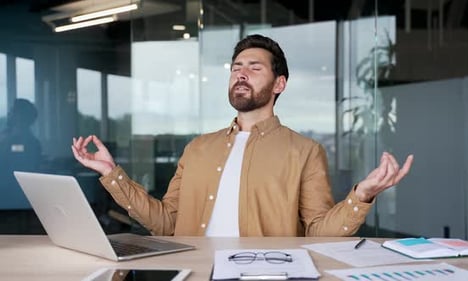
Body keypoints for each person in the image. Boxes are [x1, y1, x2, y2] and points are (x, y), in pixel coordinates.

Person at [72, 34, 414, 237]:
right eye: (237, 67)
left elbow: (317, 232)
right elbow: (166, 223)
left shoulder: (304, 151)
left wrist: (363, 195)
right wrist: (111, 173)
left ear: (279, 84)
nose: (241, 74)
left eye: (254, 67)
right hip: (197, 272)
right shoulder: (198, 148)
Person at [0, 98, 42, 208]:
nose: (9, 113)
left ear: (20, 116)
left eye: (12, 110)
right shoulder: (5, 136)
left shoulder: (30, 142)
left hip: (12, 197)